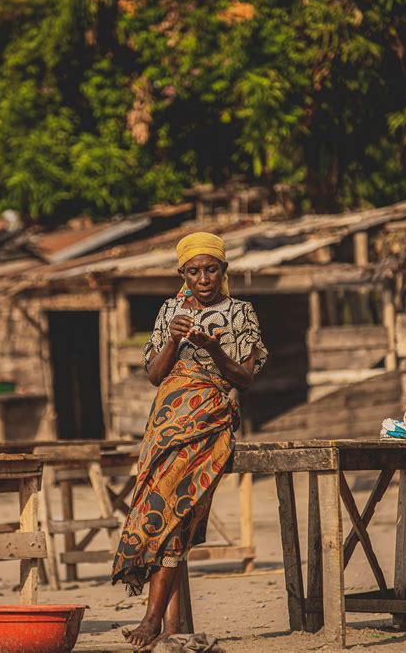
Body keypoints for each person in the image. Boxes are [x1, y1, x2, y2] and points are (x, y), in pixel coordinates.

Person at [112, 231, 267, 650]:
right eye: (194, 271)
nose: (203, 278)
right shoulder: (169, 311)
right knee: (159, 509)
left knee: (174, 512)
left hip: (209, 421)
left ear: (224, 270)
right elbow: (155, 375)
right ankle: (172, 626)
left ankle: (151, 619)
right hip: (164, 426)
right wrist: (176, 338)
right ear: (182, 273)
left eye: (211, 269)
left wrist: (214, 350)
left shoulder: (240, 313)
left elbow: (246, 378)